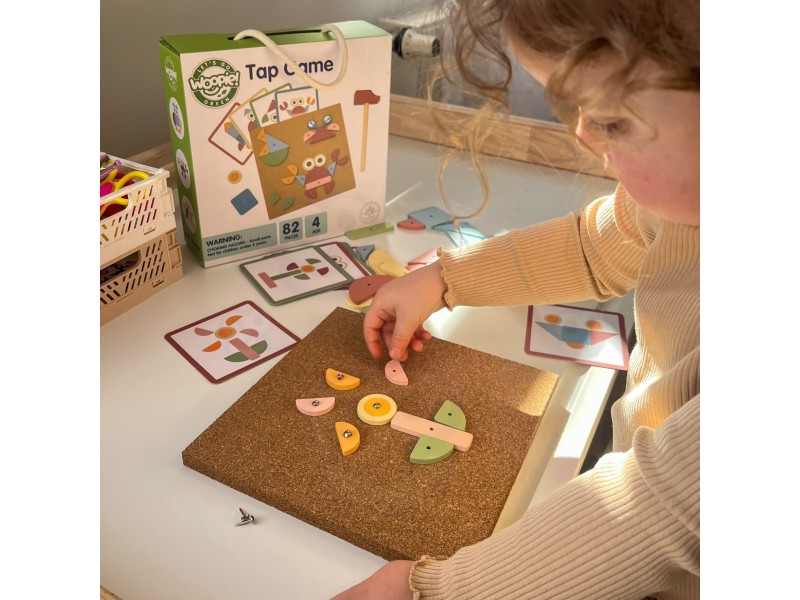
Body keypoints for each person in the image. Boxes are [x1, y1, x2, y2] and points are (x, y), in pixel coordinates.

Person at [332, 0, 699, 598]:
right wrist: (443, 279)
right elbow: (592, 248)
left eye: (611, 122)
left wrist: (438, 592)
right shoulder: (684, 207)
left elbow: (664, 506)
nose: (581, 134)